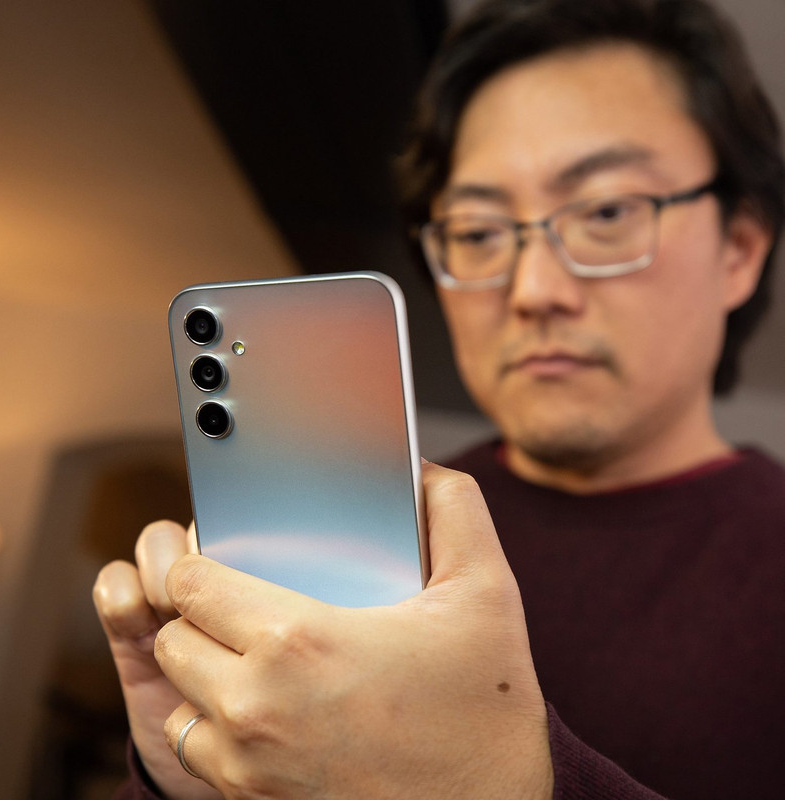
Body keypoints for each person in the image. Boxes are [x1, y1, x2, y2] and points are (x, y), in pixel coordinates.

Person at [93, 0, 785, 797]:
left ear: (739, 250)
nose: (532, 290)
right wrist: (188, 776)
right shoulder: (375, 525)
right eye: (479, 232)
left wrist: (507, 781)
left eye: (606, 212)